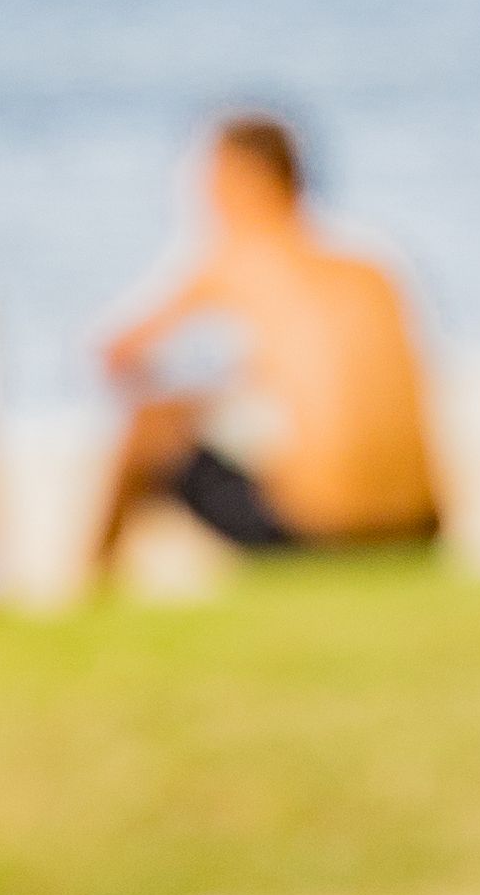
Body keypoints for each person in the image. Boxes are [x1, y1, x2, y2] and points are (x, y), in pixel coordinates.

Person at [85, 112, 447, 579]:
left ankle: (91, 591)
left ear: (247, 181)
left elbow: (115, 354)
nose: (202, 195)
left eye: (210, 177)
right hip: (420, 529)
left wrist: (187, 402)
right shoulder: (371, 267)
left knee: (149, 428)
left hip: (323, 538)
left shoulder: (239, 256)